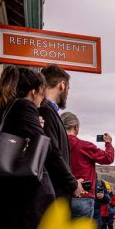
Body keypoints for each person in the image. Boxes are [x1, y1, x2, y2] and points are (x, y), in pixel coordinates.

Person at [0, 66, 78, 229]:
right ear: (33, 91)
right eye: (41, 93)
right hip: (24, 204)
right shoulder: (24, 107)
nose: (41, 100)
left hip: (4, 203)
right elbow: (48, 150)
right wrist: (72, 183)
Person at [62, 111, 114, 224]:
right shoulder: (84, 146)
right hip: (83, 197)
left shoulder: (54, 145)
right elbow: (108, 158)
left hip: (59, 198)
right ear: (76, 127)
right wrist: (108, 143)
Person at [39, 65, 83, 199]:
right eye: (68, 88)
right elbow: (53, 153)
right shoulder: (46, 111)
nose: (67, 93)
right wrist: (73, 184)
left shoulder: (46, 110)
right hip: (51, 193)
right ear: (62, 85)